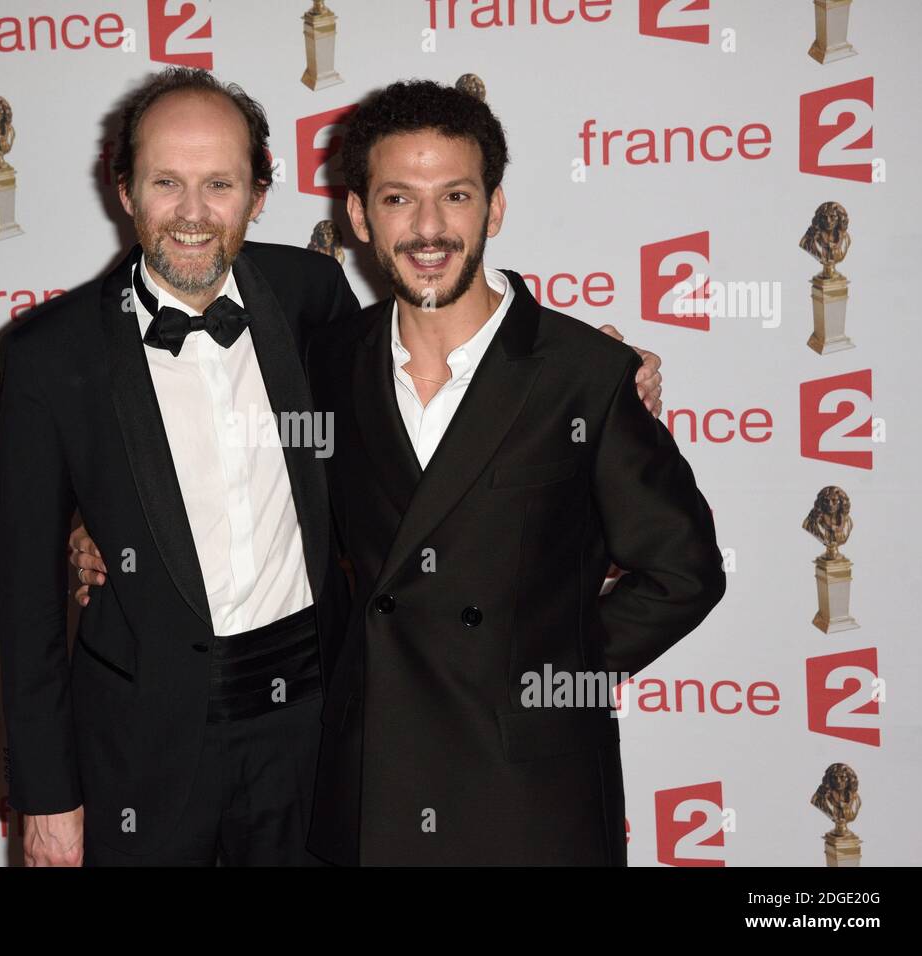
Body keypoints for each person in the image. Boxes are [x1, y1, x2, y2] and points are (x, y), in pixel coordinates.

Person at [15, 68, 662, 867]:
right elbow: (24, 602)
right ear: (124, 190)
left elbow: (429, 430)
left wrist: (597, 378)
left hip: (316, 721)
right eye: (165, 183)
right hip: (143, 739)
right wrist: (47, 798)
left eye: (220, 183)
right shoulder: (49, 356)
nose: (191, 212)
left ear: (258, 195)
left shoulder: (310, 295)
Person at [302, 80, 726, 865]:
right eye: (398, 198)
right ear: (359, 216)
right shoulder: (324, 367)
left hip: (530, 799)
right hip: (372, 789)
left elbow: (684, 572)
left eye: (455, 196)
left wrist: (551, 682)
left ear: (493, 209)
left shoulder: (582, 373)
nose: (429, 229)